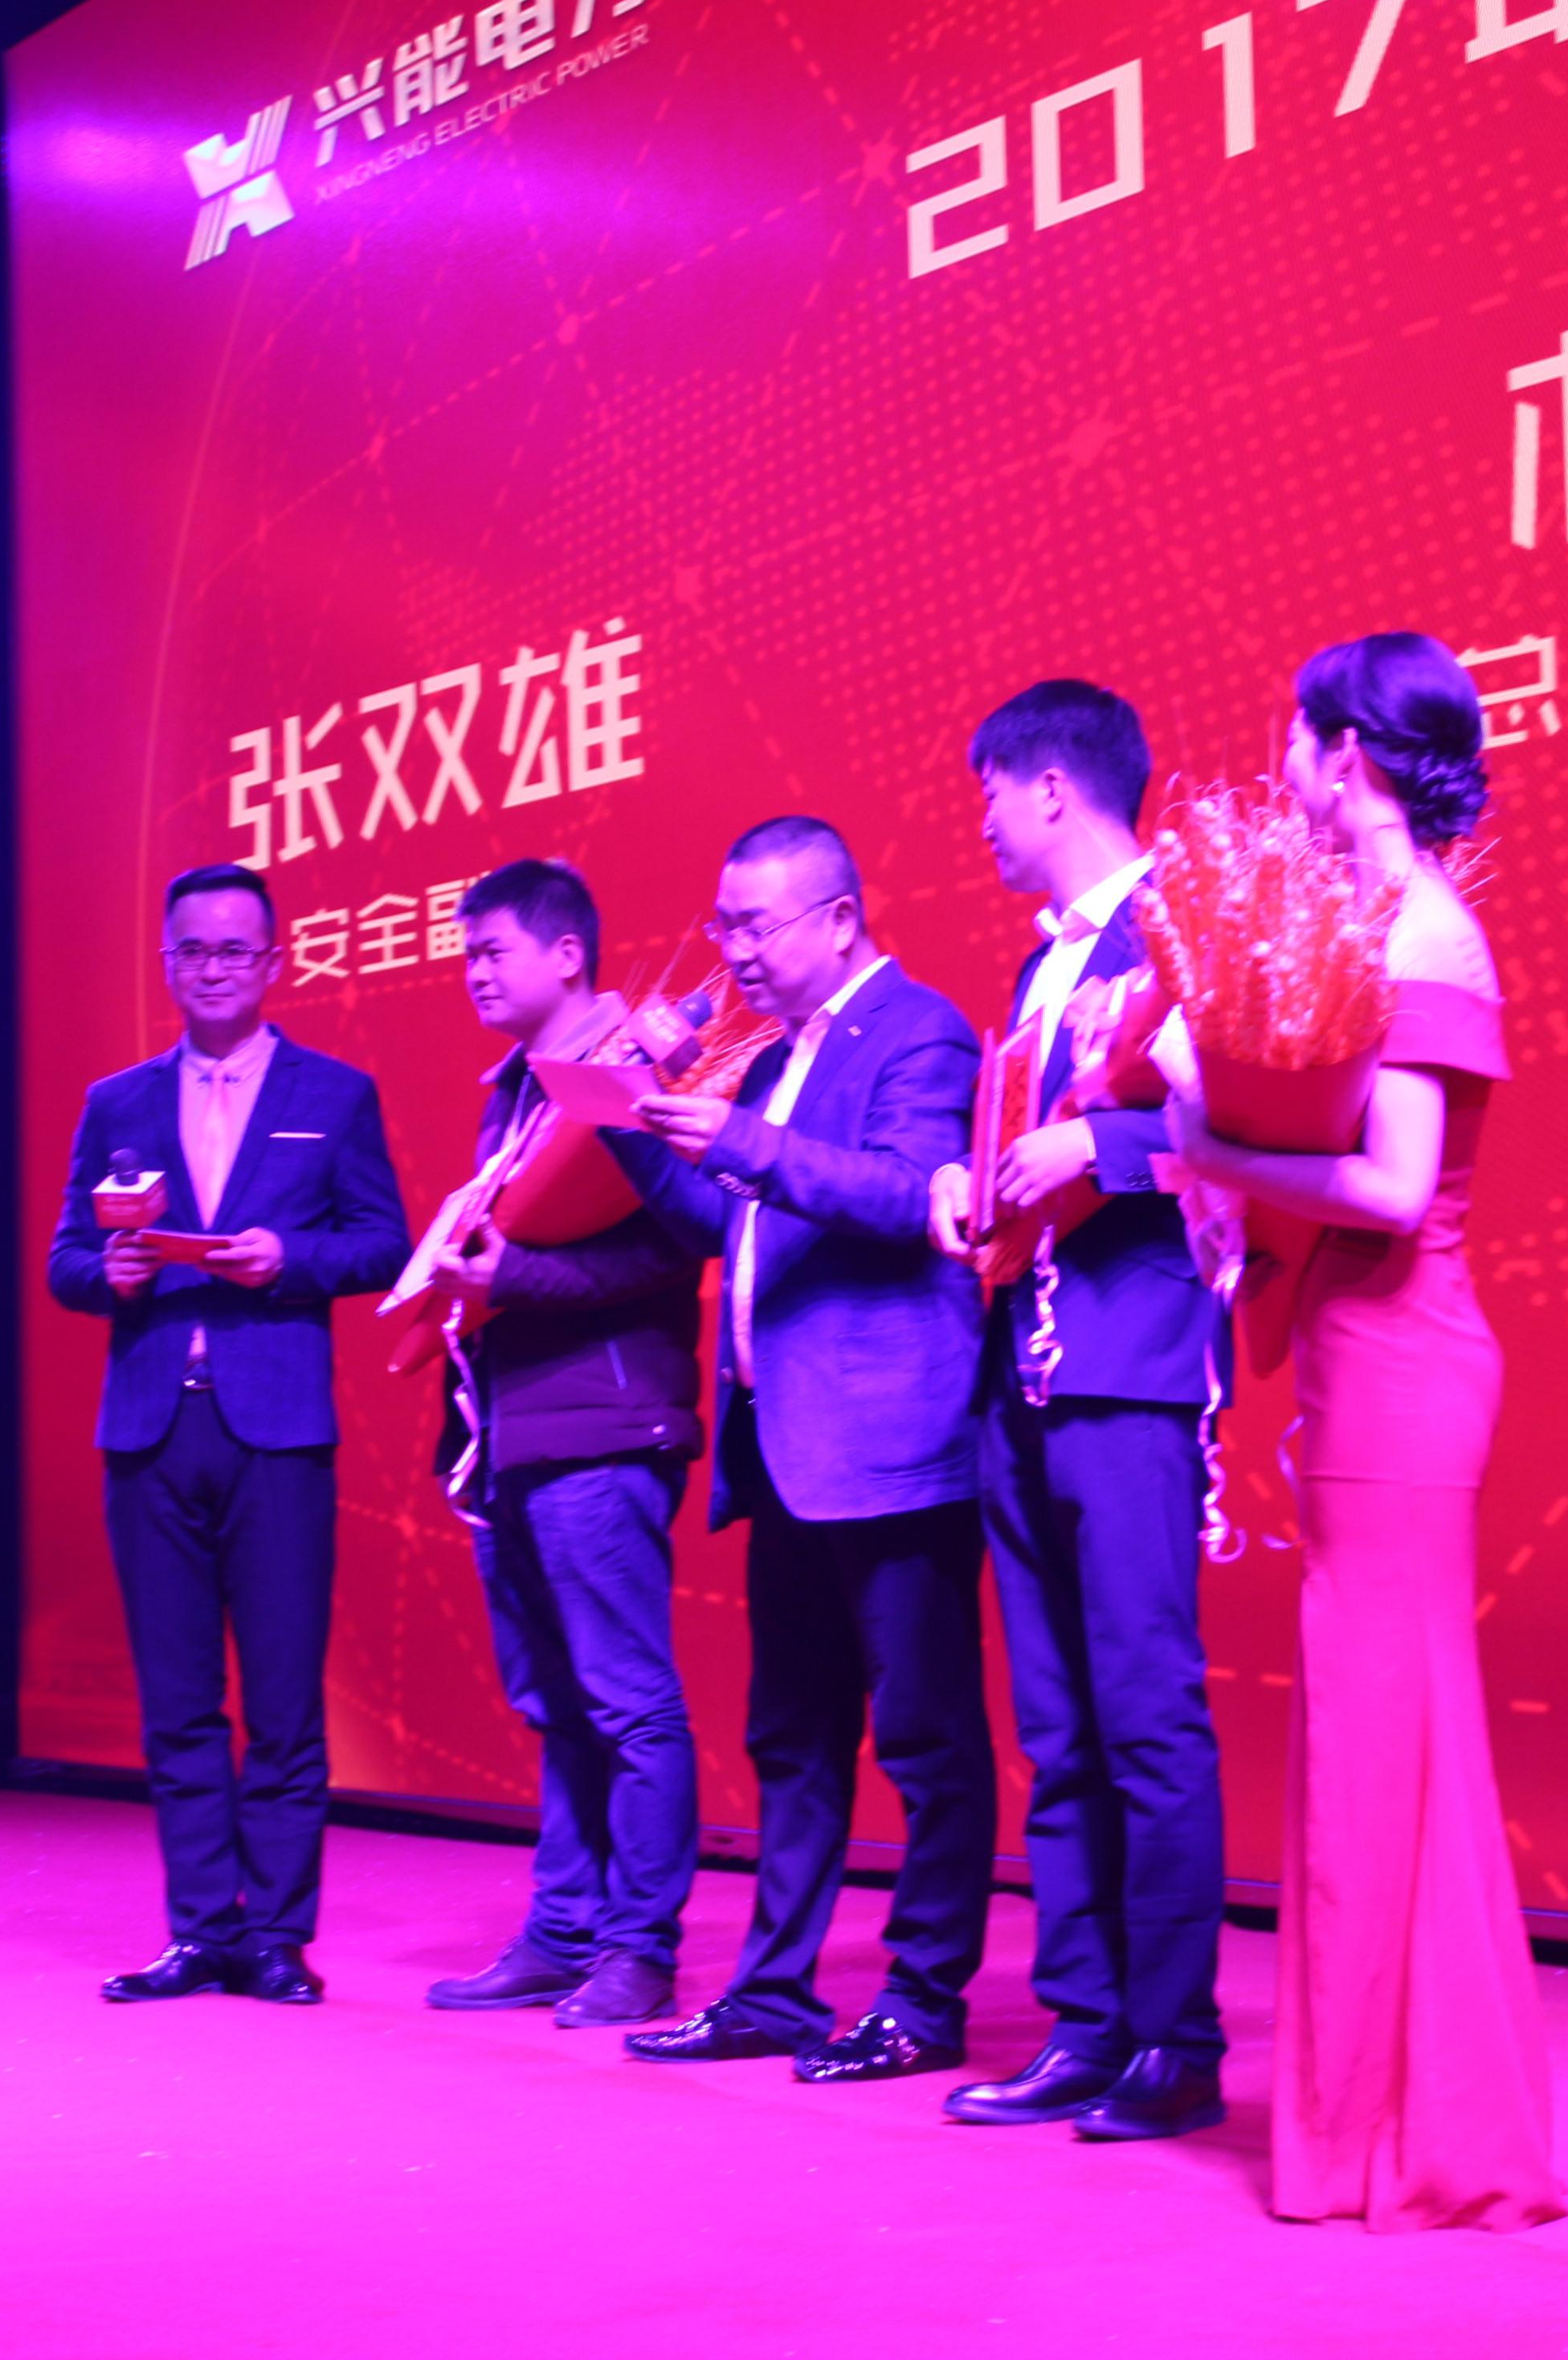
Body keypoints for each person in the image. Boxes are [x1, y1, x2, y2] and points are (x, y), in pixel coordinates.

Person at [1163, 635, 1565, 2231]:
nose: (1278, 773)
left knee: (1384, 1746)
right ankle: (1384, 2124)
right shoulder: (1366, 923)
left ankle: (1416, 2139)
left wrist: (1207, 1145)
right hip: (1365, 1362)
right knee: (1378, 1745)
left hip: (1405, 1371)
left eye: (1291, 742)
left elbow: (1395, 1190)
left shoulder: (1427, 933)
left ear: (1345, 752)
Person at [610, 817, 996, 2084]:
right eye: (722, 924)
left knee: (925, 1737)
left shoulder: (921, 1030)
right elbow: (727, 1222)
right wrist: (631, 1122)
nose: (732, 951)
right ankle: (774, 1992)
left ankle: (924, 1999)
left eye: (753, 925)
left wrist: (735, 1137)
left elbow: (913, 1191)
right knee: (794, 1734)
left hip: (892, 1444)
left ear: (838, 919)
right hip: (785, 1447)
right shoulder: (781, 1057)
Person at [925, 682, 1232, 2141]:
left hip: (1131, 1365)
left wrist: (1098, 1149)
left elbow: (1256, 1119)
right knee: (1056, 1726)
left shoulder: (1191, 926)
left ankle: (1175, 2039)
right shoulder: (1041, 964)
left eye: (990, 792)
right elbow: (1022, 1141)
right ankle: (1085, 2022)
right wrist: (969, 1177)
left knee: (1147, 1712)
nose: (983, 822)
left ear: (1051, 787)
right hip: (1024, 1367)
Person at [48, 861, 408, 2007]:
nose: (213, 970)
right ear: (167, 963)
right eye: (192, 951)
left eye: (234, 951)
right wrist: (106, 1276)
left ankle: (279, 1936)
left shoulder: (335, 1093)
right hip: (151, 1428)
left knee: (285, 1700)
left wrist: (290, 1258)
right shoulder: (118, 1102)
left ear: (273, 963)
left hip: (278, 1430)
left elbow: (386, 1244)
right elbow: (65, 1259)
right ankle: (202, 1930)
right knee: (178, 1699)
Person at [422, 859, 706, 2032]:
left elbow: (671, 1250)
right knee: (553, 1697)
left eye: (496, 952)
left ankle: (638, 1947)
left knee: (628, 1699)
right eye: (468, 955)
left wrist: (515, 1276)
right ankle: (563, 1929)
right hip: (517, 1424)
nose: (476, 973)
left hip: (605, 1422)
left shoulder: (631, 1073)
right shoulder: (518, 1088)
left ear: (568, 955)